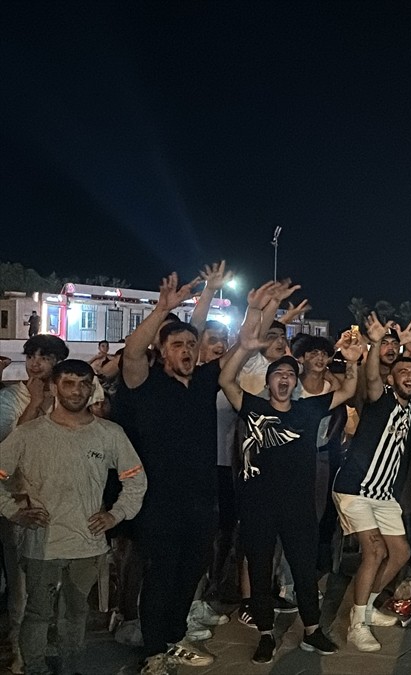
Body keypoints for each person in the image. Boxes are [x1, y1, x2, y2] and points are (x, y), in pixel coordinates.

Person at [219, 283, 359, 663]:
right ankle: (266, 632)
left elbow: (347, 391)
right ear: (268, 381)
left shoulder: (308, 410)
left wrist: (352, 359)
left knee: (302, 567)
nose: (284, 379)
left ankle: (312, 630)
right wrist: (247, 346)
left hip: (297, 505)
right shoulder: (251, 406)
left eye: (289, 376)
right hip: (257, 503)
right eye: (278, 374)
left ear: (295, 383)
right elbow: (225, 381)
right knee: (261, 569)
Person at [116, 270, 236, 673]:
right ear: (161, 350)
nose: (186, 349)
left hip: (202, 500)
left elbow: (197, 330)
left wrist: (211, 294)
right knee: (162, 575)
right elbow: (132, 352)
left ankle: (173, 636)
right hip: (159, 502)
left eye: (190, 345)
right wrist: (162, 308)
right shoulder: (144, 384)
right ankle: (154, 652)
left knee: (190, 573)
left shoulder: (204, 381)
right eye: (177, 344)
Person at [0, 359, 147, 675]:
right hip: (42, 544)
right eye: (68, 382)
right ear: (53, 387)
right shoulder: (29, 435)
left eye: (84, 383)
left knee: (76, 613)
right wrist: (14, 511)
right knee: (37, 613)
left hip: (88, 544)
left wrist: (116, 514)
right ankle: (35, 668)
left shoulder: (109, 434)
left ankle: (70, 667)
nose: (77, 390)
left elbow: (135, 478)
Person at [331, 314, 411, 652]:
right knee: (375, 551)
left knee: (400, 553)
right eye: (402, 372)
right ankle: (357, 624)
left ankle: (366, 606)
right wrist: (373, 343)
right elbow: (371, 377)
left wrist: (409, 348)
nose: (409, 377)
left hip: (383, 494)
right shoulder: (380, 398)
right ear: (391, 378)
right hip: (355, 487)